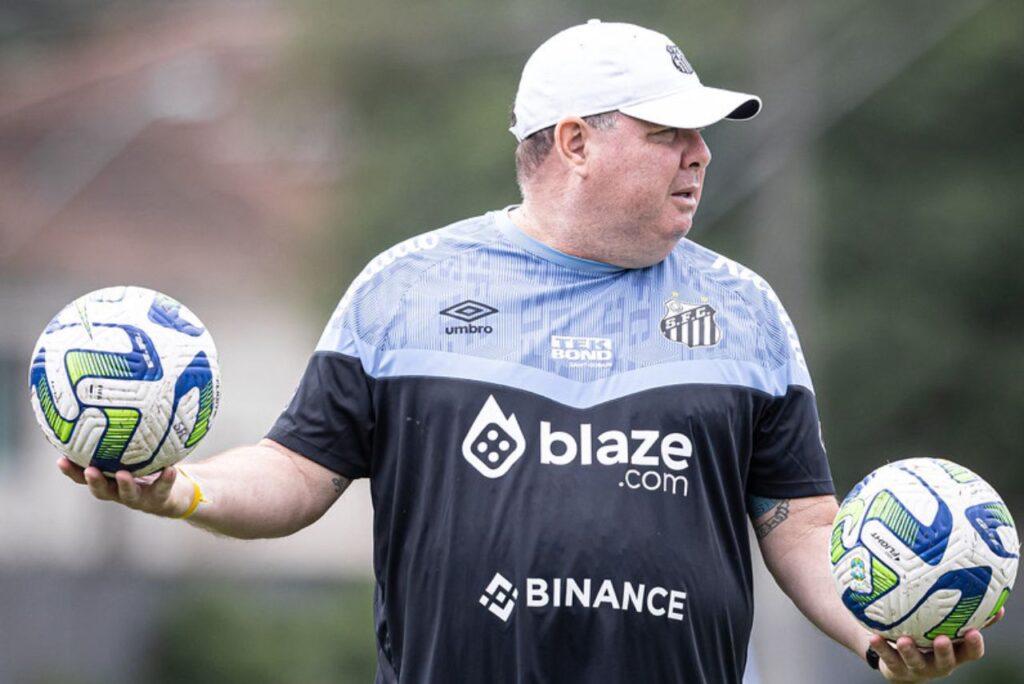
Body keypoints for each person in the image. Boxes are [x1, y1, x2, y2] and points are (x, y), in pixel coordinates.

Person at [59, 19, 999, 684]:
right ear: (576, 142)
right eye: (668, 131)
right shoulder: (404, 290)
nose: (701, 154)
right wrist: (179, 491)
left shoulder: (745, 313)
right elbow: (296, 470)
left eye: (701, 134)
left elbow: (800, 523)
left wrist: (881, 634)